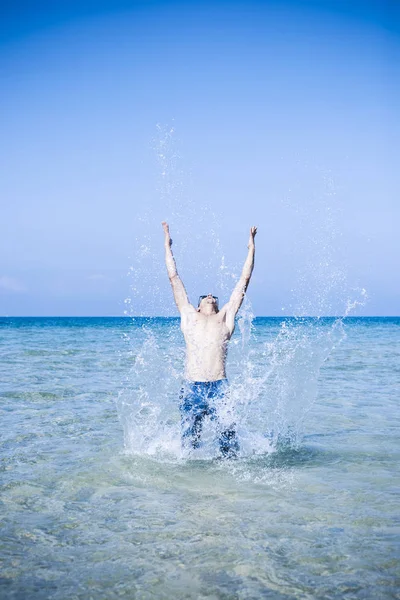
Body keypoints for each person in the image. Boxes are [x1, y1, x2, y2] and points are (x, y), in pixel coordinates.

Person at [162, 221, 257, 458]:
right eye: (205, 296)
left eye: (214, 296)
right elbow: (174, 278)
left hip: (219, 388)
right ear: (198, 304)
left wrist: (251, 248)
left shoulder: (225, 318)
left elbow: (243, 282)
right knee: (188, 448)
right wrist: (167, 244)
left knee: (228, 449)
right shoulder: (188, 316)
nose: (211, 296)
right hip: (191, 386)